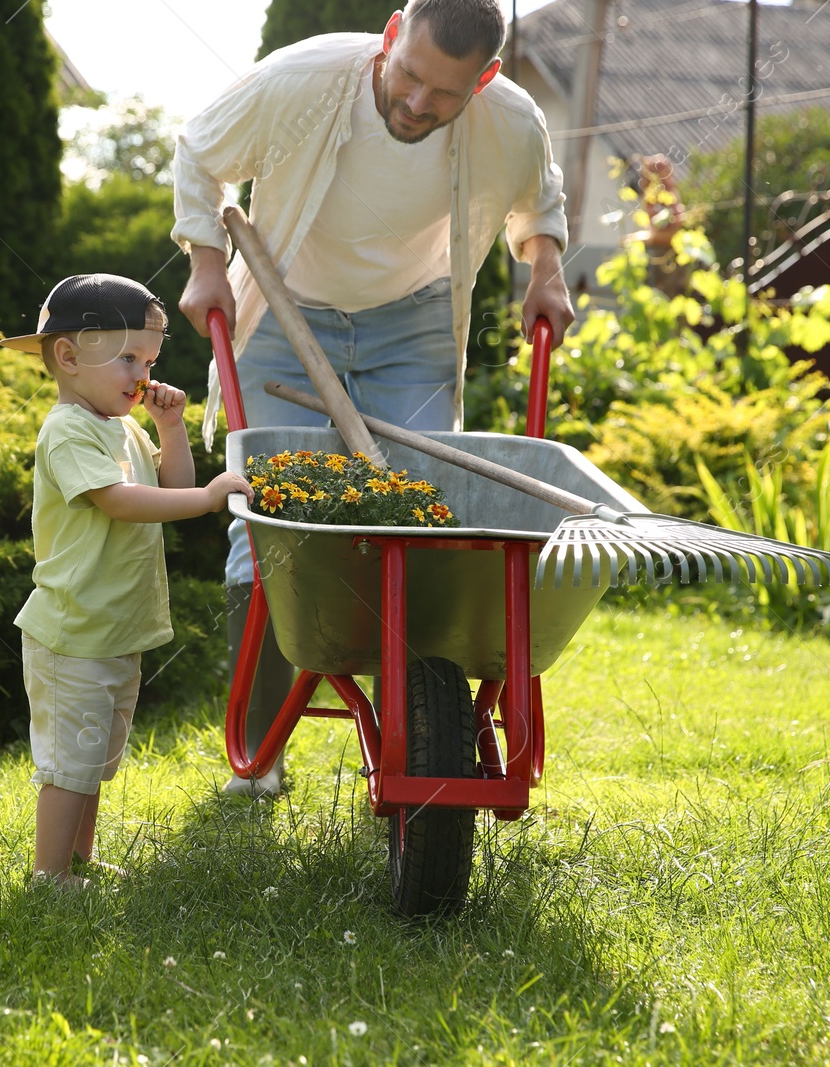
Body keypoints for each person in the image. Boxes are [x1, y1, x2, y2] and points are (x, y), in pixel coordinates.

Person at [170, 0, 576, 796]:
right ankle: (261, 756)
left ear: (484, 80)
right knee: (272, 523)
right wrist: (207, 260)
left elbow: (541, 199)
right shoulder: (305, 79)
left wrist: (546, 268)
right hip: (287, 310)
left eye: (446, 94)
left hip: (413, 323)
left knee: (419, 520)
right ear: (392, 36)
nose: (419, 103)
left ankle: (417, 741)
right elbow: (198, 151)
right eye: (411, 75)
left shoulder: (511, 120)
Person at [4, 274, 254, 888]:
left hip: (115, 629)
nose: (142, 375)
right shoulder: (66, 431)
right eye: (127, 358)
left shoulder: (124, 426)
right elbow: (120, 501)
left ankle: (79, 859)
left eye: (149, 360)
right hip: (74, 631)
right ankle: (50, 875)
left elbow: (167, 486)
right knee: (70, 765)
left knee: (95, 758)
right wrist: (206, 499)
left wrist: (171, 430)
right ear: (68, 357)